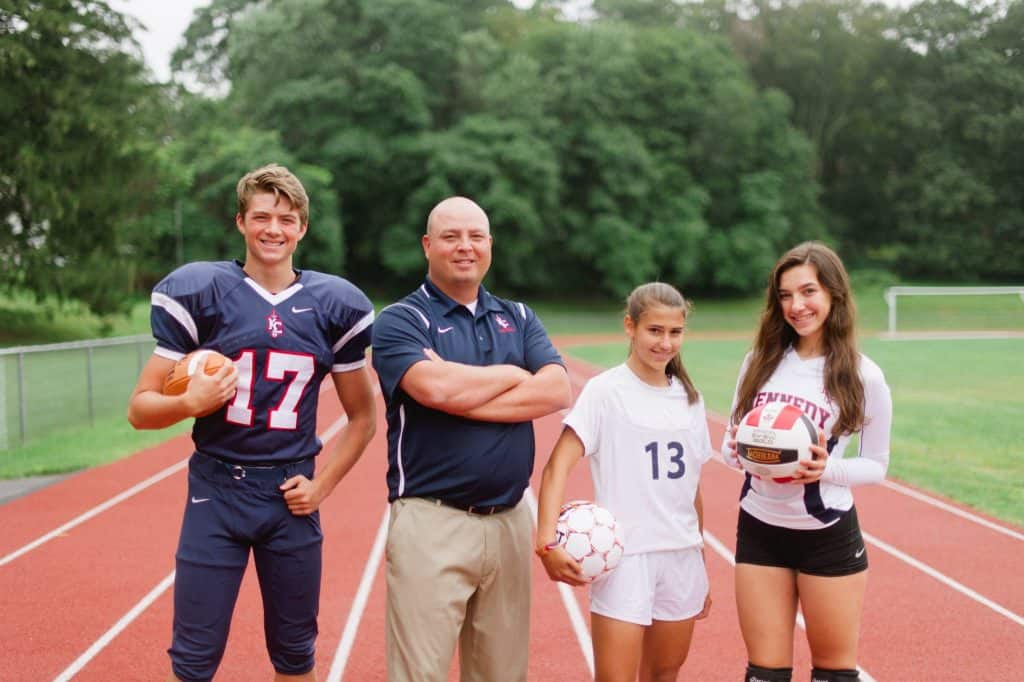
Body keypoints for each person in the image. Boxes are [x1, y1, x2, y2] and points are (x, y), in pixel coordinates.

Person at [127, 163, 377, 682]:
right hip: (215, 493)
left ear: (302, 228)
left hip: (289, 494)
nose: (273, 229)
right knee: (193, 659)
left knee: (295, 655)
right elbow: (140, 408)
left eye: (286, 219)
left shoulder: (333, 305)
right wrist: (188, 402)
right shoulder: (204, 292)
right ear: (240, 222)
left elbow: (363, 418)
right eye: (261, 216)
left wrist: (322, 487)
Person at [370, 196, 572, 682]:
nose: (465, 247)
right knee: (422, 675)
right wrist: (512, 372)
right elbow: (433, 388)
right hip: (431, 522)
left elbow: (557, 388)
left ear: (489, 245)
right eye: (451, 236)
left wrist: (461, 396)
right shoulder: (401, 320)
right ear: (427, 245)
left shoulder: (519, 316)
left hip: (508, 522)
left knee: (502, 675)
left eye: (476, 236)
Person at [721, 241, 893, 682]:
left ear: (834, 294)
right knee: (764, 674)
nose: (796, 305)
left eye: (808, 291)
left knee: (833, 674)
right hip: (760, 528)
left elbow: (876, 464)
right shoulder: (759, 362)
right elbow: (729, 444)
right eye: (785, 295)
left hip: (826, 534)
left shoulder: (862, 374)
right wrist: (743, 451)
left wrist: (825, 469)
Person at [535, 282, 713, 682]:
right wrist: (546, 542)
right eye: (655, 330)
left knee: (665, 673)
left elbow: (692, 488)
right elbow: (556, 467)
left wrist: (699, 558)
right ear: (630, 327)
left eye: (675, 332)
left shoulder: (690, 398)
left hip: (681, 556)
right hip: (626, 559)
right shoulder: (605, 391)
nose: (665, 342)